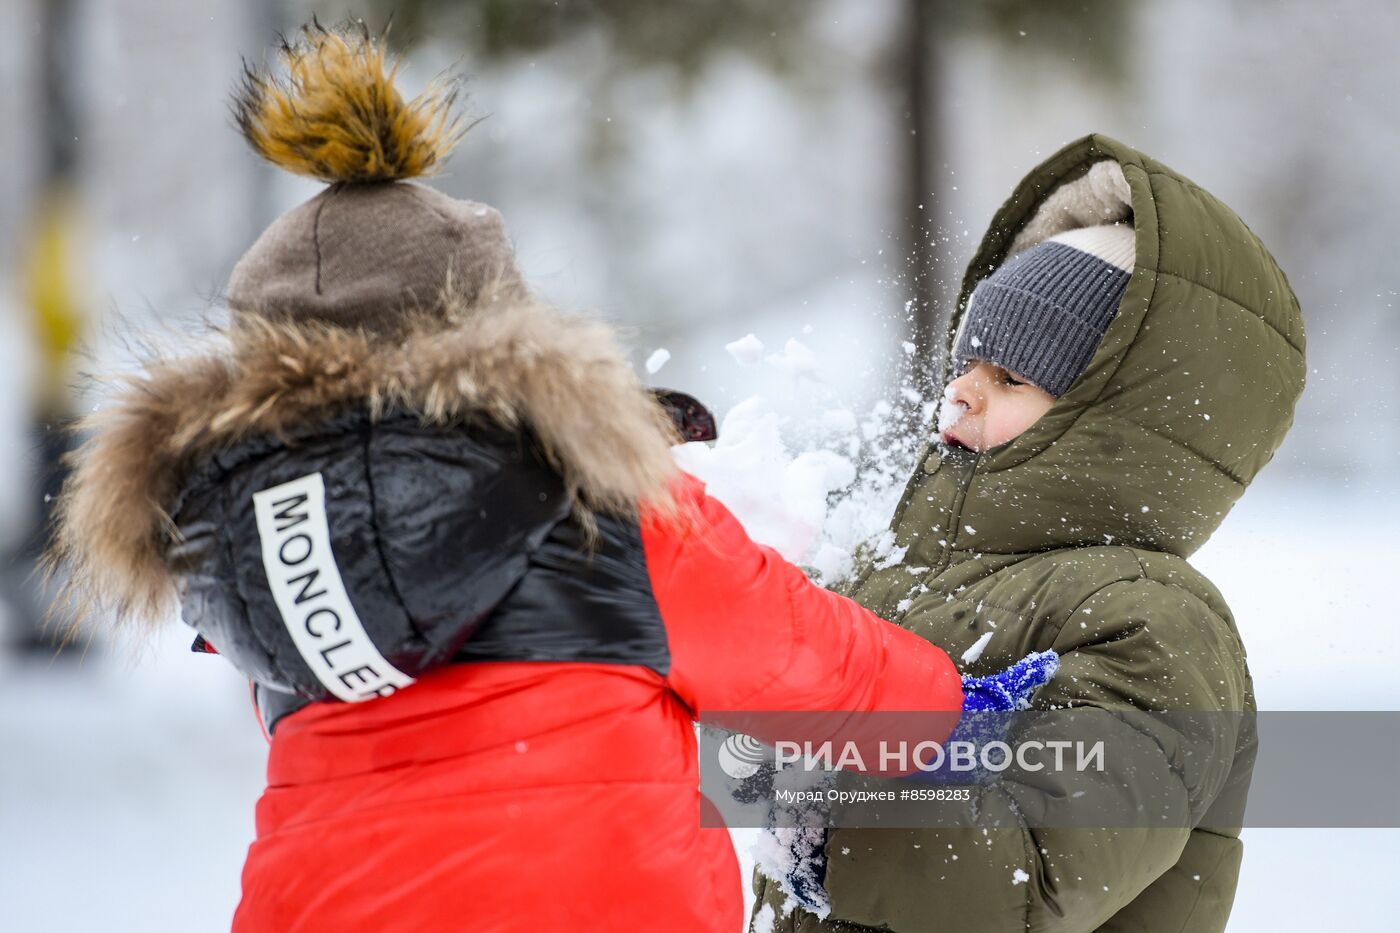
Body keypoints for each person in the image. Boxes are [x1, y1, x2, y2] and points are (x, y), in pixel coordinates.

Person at [46, 23, 1058, 932]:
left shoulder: (243, 544)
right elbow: (793, 654)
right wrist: (940, 709)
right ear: (494, 332)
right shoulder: (598, 506)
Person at [748, 136, 1306, 932]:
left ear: (1116, 422)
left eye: (1011, 376)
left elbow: (1030, 871)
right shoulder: (896, 576)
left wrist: (831, 802)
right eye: (968, 364)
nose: (963, 393)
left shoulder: (1153, 621)